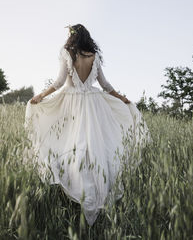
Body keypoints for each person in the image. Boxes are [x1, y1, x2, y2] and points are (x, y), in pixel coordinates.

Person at [25, 23, 150, 226]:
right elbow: (105, 85)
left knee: (70, 145)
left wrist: (40, 95)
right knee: (96, 148)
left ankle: (79, 192)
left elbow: (58, 82)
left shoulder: (67, 52)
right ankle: (95, 192)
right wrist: (122, 98)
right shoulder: (94, 55)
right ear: (87, 37)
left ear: (71, 37)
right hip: (93, 103)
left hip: (71, 103)